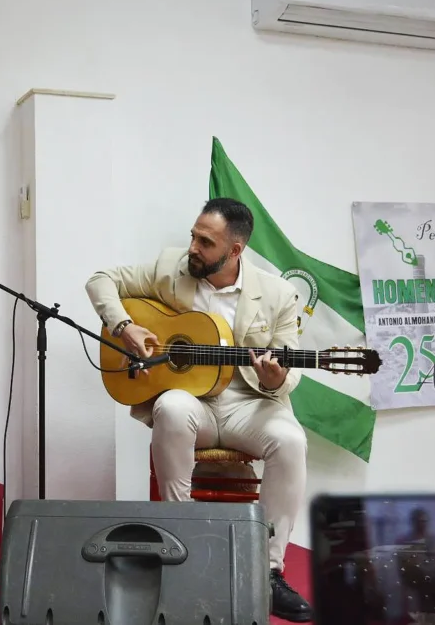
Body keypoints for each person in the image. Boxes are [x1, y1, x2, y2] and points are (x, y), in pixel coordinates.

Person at [85, 197, 312, 622]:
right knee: (170, 406)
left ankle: (268, 574)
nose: (193, 247)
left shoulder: (279, 294)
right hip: (195, 404)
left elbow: (289, 368)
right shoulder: (171, 269)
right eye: (193, 235)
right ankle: (178, 545)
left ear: (235, 250)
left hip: (249, 404)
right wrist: (123, 325)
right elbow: (101, 280)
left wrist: (276, 377)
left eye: (205, 242)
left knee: (291, 440)